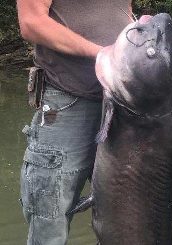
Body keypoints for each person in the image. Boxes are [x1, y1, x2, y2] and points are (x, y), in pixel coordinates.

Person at [17, 0, 132, 244]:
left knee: (129, 223)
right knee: (50, 228)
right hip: (66, 102)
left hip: (125, 108)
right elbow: (31, 23)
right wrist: (103, 54)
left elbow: (120, 14)